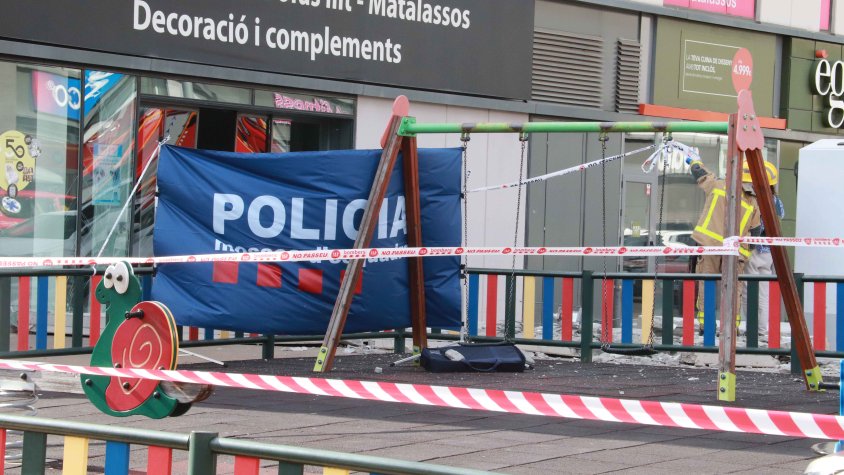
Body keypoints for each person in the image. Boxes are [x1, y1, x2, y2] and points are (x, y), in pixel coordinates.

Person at [687, 159, 762, 335]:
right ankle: (731, 327)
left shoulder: (718, 186)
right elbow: (756, 232)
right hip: (736, 252)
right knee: (734, 289)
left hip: (710, 245)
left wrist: (693, 161)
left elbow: (700, 173)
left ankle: (707, 326)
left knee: (707, 284)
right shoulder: (753, 202)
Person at [742, 161, 783, 343]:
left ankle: (750, 328)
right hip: (768, 252)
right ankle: (760, 330)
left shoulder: (751, 199)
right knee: (763, 292)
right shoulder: (776, 201)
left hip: (751, 249)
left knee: (747, 290)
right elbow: (779, 217)